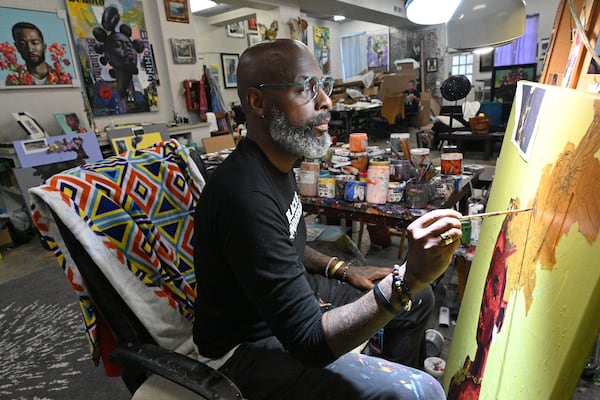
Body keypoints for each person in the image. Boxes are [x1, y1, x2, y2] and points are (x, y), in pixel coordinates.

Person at [193, 39, 462, 399]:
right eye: (306, 89)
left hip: (285, 301)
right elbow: (309, 343)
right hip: (242, 349)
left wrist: (342, 268)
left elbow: (282, 241)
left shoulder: (279, 161)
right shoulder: (244, 196)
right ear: (258, 102)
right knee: (419, 390)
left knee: (422, 300)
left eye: (323, 86)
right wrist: (408, 276)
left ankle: (389, 373)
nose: (326, 102)